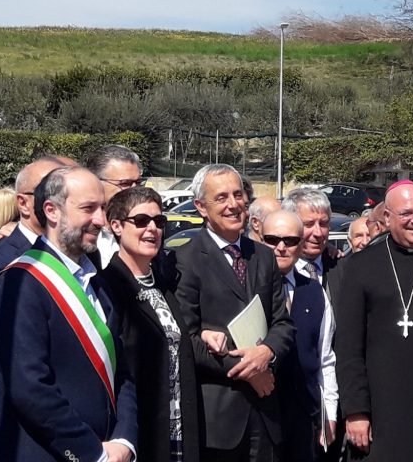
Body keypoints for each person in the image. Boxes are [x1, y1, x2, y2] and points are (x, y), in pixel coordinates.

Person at [0, 166, 138, 462]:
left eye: (103, 208)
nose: (100, 220)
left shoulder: (97, 283)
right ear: (52, 211)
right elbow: (29, 386)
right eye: (88, 209)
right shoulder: (21, 282)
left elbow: (122, 371)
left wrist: (125, 439)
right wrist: (92, 453)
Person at [0, 154, 74, 458]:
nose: (61, 201)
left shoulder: (83, 259)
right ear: (23, 203)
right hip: (14, 430)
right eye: (51, 192)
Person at [174, 163, 294, 462]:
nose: (233, 204)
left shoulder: (264, 256)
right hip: (217, 421)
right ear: (201, 207)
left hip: (266, 413)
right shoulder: (184, 261)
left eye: (238, 194)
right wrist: (250, 371)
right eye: (222, 197)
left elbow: (282, 323)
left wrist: (266, 353)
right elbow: (187, 339)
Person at [334, 179, 413, 461]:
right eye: (406, 214)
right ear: (388, 219)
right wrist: (356, 411)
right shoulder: (361, 266)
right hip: (383, 412)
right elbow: (348, 348)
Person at [103, 186, 200, 462]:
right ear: (116, 226)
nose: (153, 229)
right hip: (138, 432)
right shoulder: (106, 287)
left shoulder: (164, 285)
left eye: (159, 222)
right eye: (141, 221)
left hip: (178, 428)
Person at [262, 209, 338, 462]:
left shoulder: (314, 291)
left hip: (304, 418)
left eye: (290, 241)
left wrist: (330, 414)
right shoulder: (246, 290)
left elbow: (325, 358)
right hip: (259, 417)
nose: (281, 248)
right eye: (272, 240)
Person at [86, 144, 146, 265]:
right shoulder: (80, 231)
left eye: (138, 183)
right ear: (96, 182)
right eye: (125, 183)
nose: (135, 190)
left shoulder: (147, 228)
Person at [282, 187, 338, 286]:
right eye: (308, 224)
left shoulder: (341, 267)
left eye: (323, 223)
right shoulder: (273, 270)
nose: (318, 233)